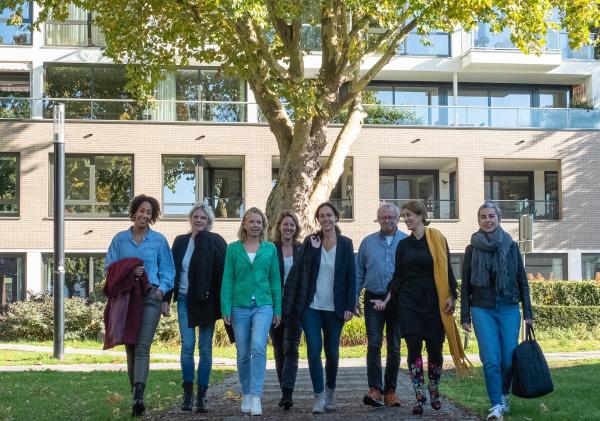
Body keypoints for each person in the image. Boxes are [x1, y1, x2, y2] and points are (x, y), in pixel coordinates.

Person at [375, 200, 470, 415]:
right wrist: (386, 299)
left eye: (410, 215)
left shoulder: (437, 238)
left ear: (421, 216)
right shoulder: (403, 245)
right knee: (414, 348)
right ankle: (419, 395)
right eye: (405, 216)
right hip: (409, 303)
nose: (406, 219)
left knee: (435, 349)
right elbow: (398, 277)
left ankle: (434, 389)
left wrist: (452, 296)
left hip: (434, 302)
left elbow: (447, 270)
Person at [461, 201, 534, 421]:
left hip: (509, 307)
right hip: (482, 308)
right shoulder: (472, 248)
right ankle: (496, 405)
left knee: (508, 360)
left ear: (499, 219)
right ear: (479, 221)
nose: (488, 220)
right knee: (491, 359)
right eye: (483, 217)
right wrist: (465, 315)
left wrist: (528, 312)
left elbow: (522, 279)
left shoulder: (511, 246)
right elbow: (465, 284)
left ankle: (504, 395)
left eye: (491, 216)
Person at [104, 194, 175, 416]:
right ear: (134, 212)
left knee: (142, 346)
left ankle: (138, 396)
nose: (145, 215)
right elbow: (109, 267)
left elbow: (169, 270)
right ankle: (135, 393)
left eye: (149, 213)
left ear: (152, 217)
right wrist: (128, 270)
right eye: (141, 211)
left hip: (150, 297)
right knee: (130, 346)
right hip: (126, 298)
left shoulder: (159, 241)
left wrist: (162, 290)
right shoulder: (119, 240)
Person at [283, 201, 356, 414]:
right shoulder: (311, 241)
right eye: (321, 216)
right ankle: (319, 396)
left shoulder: (346, 243)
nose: (325, 219)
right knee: (314, 351)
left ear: (336, 218)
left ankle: (330, 391)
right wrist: (313, 250)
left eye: (329, 215)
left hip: (336, 308)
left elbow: (351, 276)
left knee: (332, 352)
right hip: (311, 307)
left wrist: (350, 305)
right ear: (318, 220)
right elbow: (301, 269)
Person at [162, 203, 227, 413]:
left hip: (206, 302)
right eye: (196, 216)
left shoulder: (215, 241)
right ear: (191, 219)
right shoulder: (180, 242)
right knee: (187, 345)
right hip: (184, 299)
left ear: (209, 222)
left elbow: (222, 273)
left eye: (203, 217)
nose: (199, 220)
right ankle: (188, 392)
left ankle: (202, 395)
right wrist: (166, 299)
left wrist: (223, 303)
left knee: (205, 348)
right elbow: (171, 270)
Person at [221, 207, 282, 416]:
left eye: (259, 222)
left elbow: (275, 281)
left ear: (263, 225)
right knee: (243, 353)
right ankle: (246, 393)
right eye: (251, 221)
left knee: (258, 347)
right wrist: (225, 306)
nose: (255, 225)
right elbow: (228, 279)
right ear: (244, 224)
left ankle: (256, 396)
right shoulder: (232, 249)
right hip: (239, 305)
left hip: (264, 305)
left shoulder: (270, 249)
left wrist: (278, 309)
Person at [355, 202, 407, 408]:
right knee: (374, 344)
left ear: (397, 219)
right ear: (378, 219)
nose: (387, 220)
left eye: (391, 217)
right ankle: (375, 390)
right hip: (372, 297)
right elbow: (359, 272)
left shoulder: (406, 242)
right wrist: (354, 299)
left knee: (394, 347)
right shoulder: (367, 243)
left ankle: (390, 392)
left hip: (397, 300)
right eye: (383, 217)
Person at [269, 210, 305, 410]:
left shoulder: (302, 250)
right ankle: (284, 392)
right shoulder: (271, 249)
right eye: (285, 224)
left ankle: (288, 392)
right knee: (278, 349)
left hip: (295, 307)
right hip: (274, 306)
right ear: (279, 227)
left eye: (292, 224)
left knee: (291, 348)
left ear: (296, 228)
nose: (288, 227)